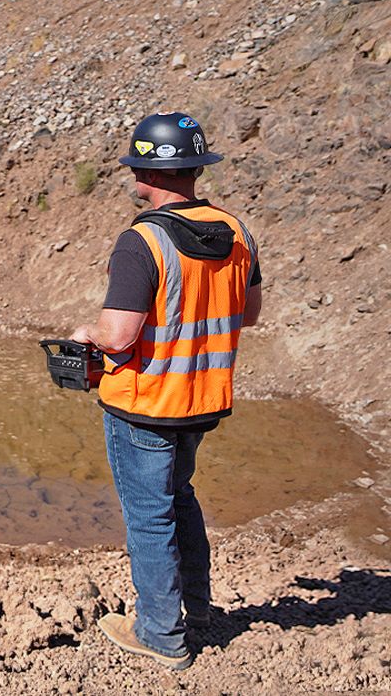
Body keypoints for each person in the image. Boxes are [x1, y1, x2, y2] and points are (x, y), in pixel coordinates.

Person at [70, 111, 261, 671]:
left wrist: (87, 336)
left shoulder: (141, 242)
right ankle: (196, 612)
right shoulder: (236, 231)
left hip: (144, 405)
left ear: (144, 173)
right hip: (201, 400)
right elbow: (247, 312)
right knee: (180, 498)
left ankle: (160, 633)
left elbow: (120, 335)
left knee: (149, 515)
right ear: (195, 168)